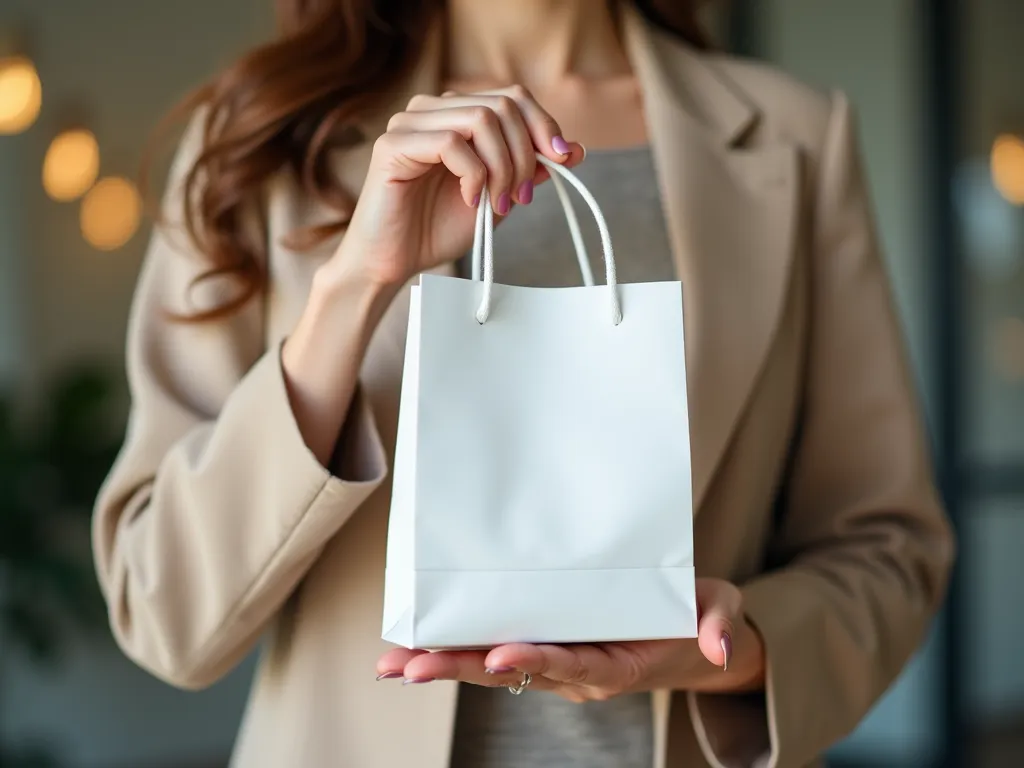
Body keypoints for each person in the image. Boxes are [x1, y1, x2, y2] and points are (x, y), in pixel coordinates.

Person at [92, 0, 955, 766]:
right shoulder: (263, 141)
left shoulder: (797, 135)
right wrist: (353, 286)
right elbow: (163, 609)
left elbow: (888, 547)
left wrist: (741, 648)